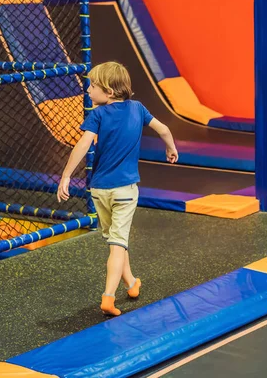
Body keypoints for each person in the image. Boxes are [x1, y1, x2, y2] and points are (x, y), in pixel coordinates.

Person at [57, 61, 178, 316]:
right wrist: (170, 148)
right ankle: (108, 297)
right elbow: (164, 129)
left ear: (109, 92)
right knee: (118, 244)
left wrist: (66, 175)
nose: (88, 91)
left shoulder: (97, 115)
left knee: (116, 241)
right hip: (125, 191)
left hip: (99, 190)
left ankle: (132, 283)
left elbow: (82, 146)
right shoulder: (138, 109)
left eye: (93, 86)